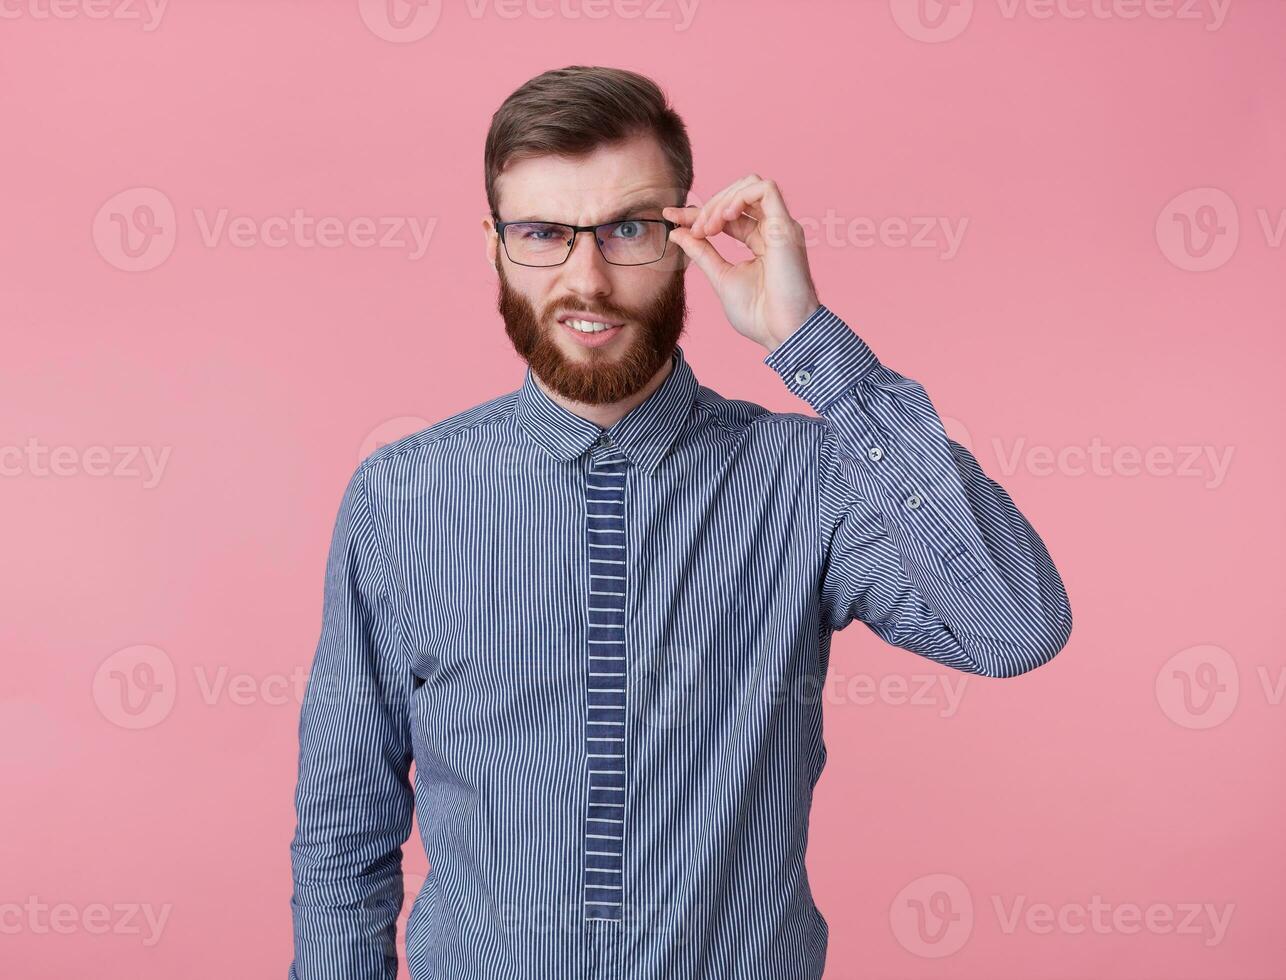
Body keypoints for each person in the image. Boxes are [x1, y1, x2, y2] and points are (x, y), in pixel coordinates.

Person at [288, 64, 1072, 980]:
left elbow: (1014, 626)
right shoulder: (401, 498)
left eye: (629, 229)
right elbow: (346, 830)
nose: (588, 278)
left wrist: (807, 340)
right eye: (543, 233)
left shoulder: (810, 477)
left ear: (689, 237)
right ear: (496, 245)